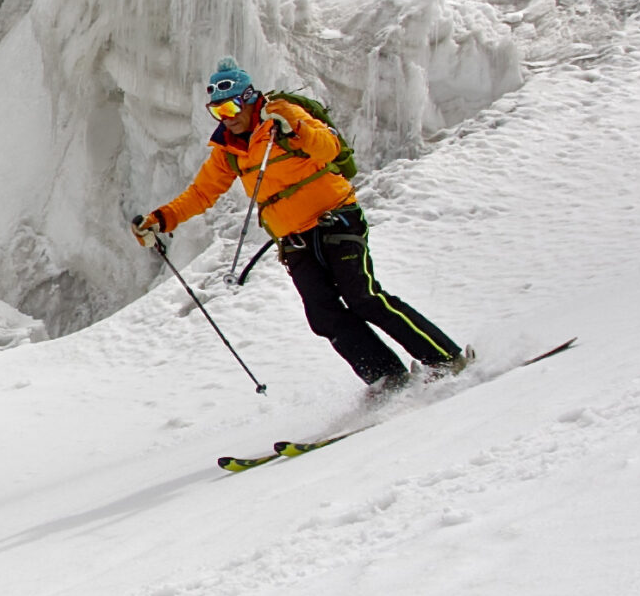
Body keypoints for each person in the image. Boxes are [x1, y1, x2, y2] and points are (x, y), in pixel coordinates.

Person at [132, 58, 468, 389]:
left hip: (336, 219)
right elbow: (202, 193)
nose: (226, 118)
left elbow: (328, 147)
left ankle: (445, 358)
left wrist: (298, 131)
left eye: (230, 108)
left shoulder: (281, 114)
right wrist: (161, 220)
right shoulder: (228, 149)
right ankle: (388, 379)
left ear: (249, 99)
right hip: (294, 240)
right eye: (217, 112)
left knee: (363, 296)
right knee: (323, 315)